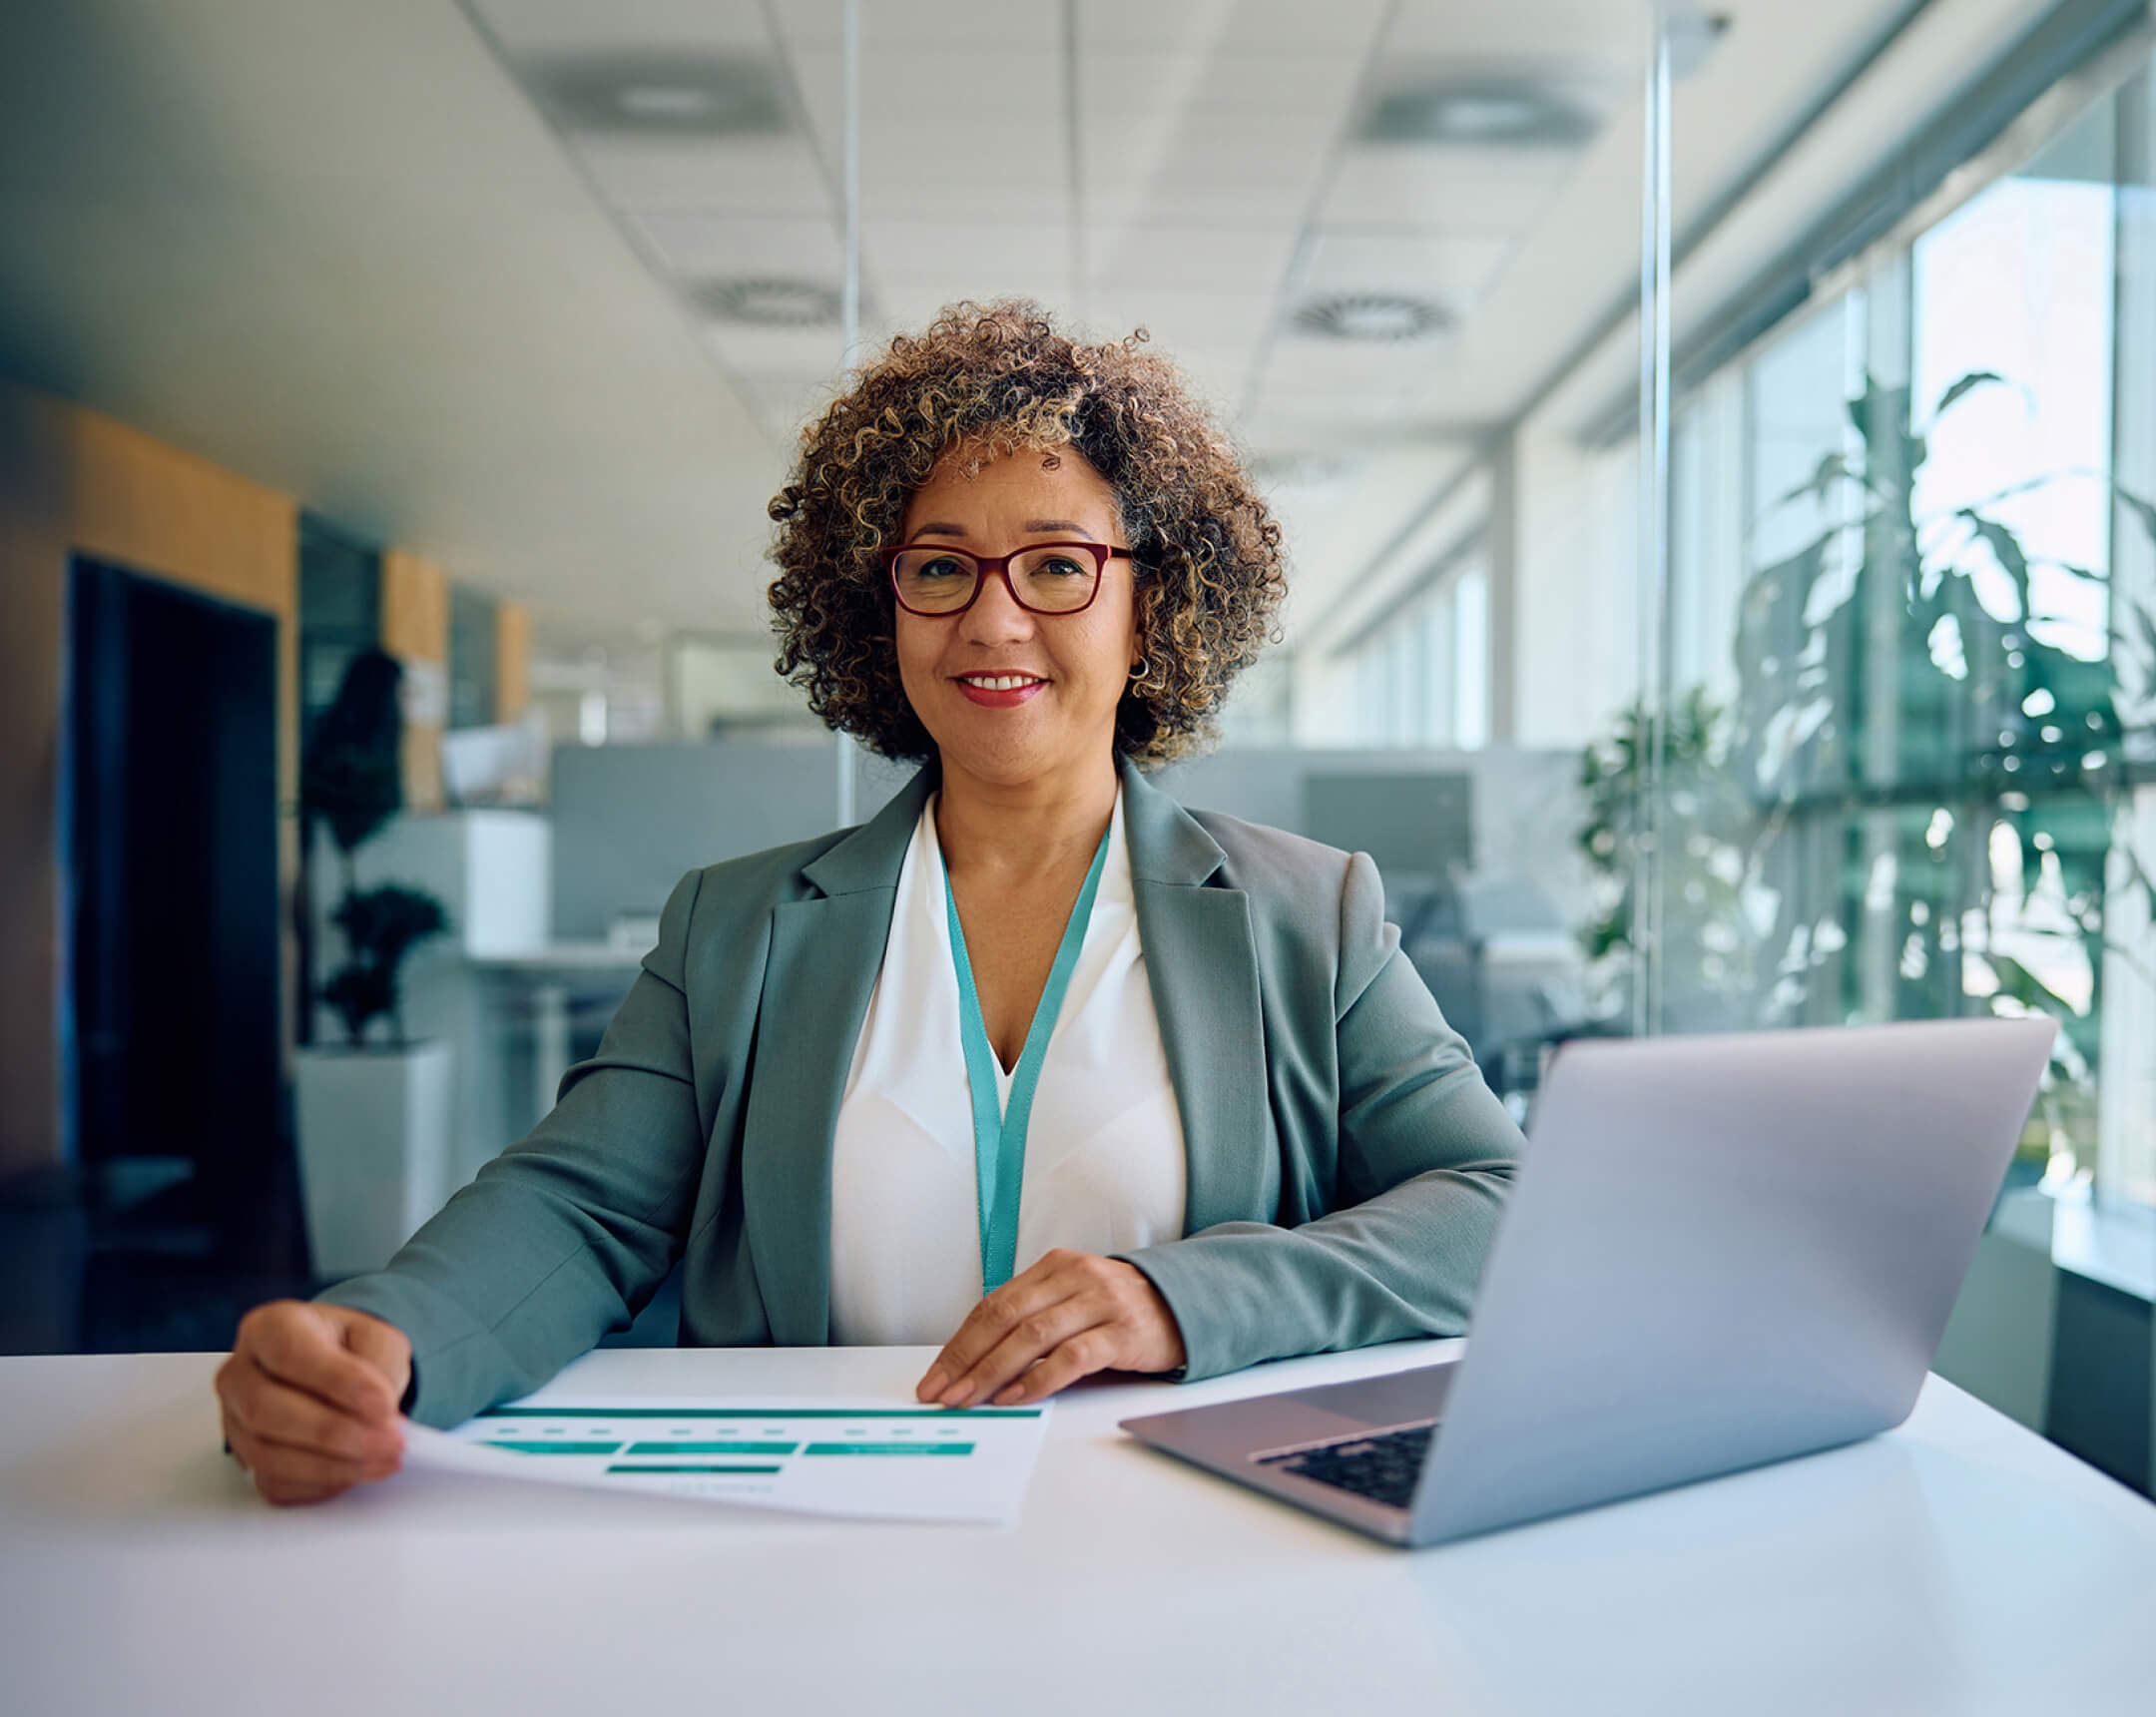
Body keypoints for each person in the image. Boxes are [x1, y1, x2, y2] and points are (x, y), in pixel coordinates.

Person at [215, 301, 1524, 1505]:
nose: (993, 620)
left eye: (1058, 565)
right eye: (940, 568)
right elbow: (578, 1207)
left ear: (1153, 605)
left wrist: (1189, 1299)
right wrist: (389, 1337)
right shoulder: (733, 929)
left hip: (1189, 1551)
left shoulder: (1309, 914)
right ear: (879, 606)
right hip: (813, 1548)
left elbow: (1495, 1206)